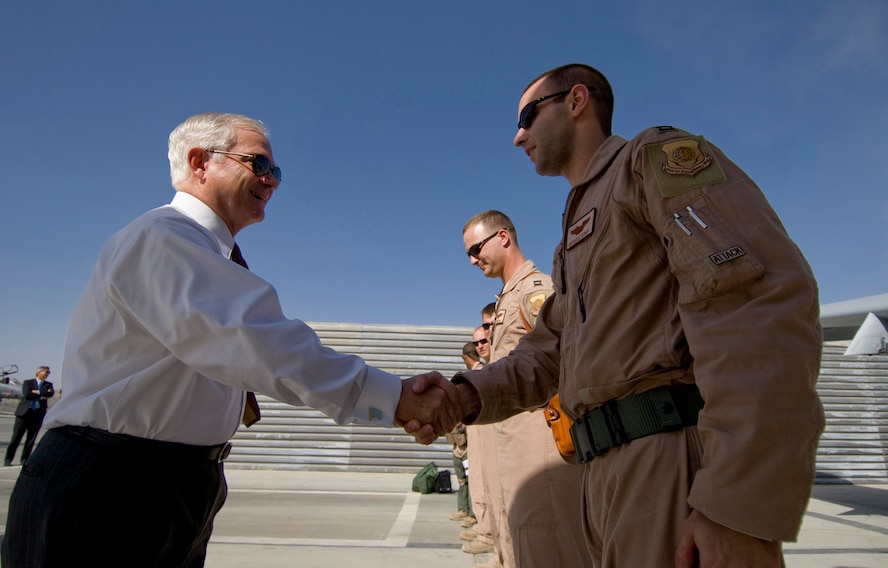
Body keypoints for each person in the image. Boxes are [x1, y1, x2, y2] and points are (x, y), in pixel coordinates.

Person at [407, 64, 824, 567]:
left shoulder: (651, 161)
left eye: (528, 115)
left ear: (577, 100)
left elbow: (753, 305)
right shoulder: (576, 231)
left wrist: (736, 502)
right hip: (602, 476)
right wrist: (464, 394)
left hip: (666, 462)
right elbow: (547, 353)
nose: (519, 137)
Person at [1, 112, 455, 568]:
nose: (271, 181)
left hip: (167, 481)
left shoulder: (204, 252)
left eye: (275, 171)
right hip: (112, 486)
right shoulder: (162, 237)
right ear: (199, 162)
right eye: (258, 164)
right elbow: (253, 341)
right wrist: (395, 398)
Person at [461, 210, 592, 568]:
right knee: (527, 535)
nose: (473, 260)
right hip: (516, 437)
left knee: (548, 538)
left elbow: (566, 357)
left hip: (542, 440)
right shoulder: (508, 296)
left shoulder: (535, 292)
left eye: (476, 248)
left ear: (503, 237)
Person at [447, 343, 481, 527]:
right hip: (460, 445)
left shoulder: (479, 374)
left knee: (472, 480)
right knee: (462, 481)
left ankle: (474, 515)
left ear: (465, 356)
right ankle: (464, 509)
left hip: (469, 445)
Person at [4, 366, 55, 467]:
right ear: (39, 372)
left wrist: (37, 392)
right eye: (46, 372)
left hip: (37, 415)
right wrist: (41, 395)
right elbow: (27, 394)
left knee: (31, 439)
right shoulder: (28, 382)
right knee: (16, 438)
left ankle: (24, 460)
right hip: (23, 414)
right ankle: (8, 459)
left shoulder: (48, 385)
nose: (48, 373)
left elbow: (50, 394)